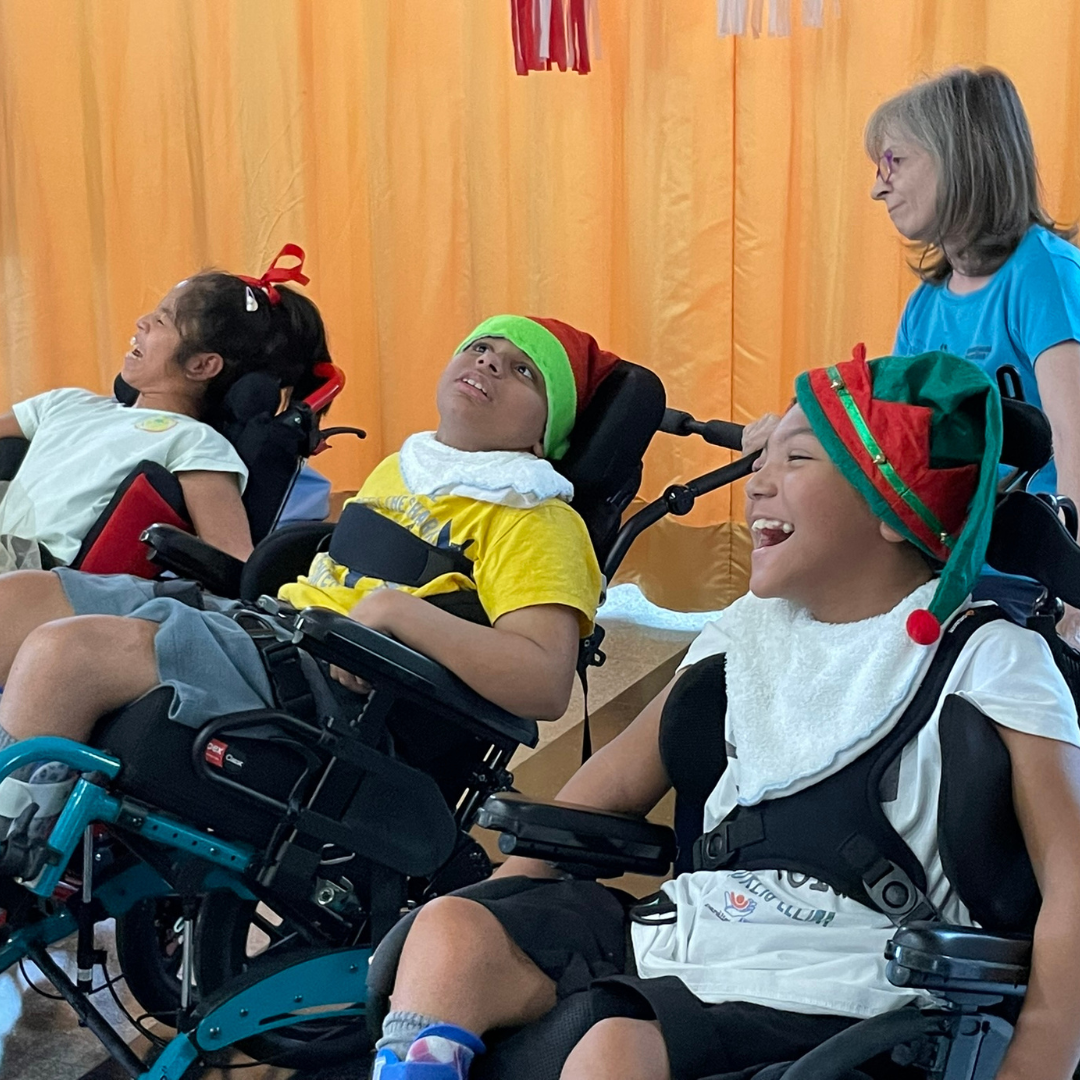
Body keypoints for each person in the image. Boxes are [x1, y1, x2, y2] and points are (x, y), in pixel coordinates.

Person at [371, 349, 1080, 1080]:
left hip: (851, 977)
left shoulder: (989, 660)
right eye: (762, 460)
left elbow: (1071, 882)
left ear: (895, 509)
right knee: (451, 930)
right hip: (694, 930)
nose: (757, 483)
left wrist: (1039, 1056)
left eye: (796, 460)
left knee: (614, 1047)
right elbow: (602, 793)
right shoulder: (745, 635)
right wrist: (507, 903)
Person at [0, 315, 616, 825]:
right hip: (271, 624)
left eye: (523, 371)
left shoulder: (534, 516)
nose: (489, 363)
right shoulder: (405, 468)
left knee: (68, 654)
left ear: (544, 437)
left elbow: (543, 682)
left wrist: (396, 612)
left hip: (321, 685)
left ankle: (17, 850)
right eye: (481, 347)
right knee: (18, 598)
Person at [865, 66, 1080, 628]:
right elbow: (898, 445)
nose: (878, 187)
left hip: (1034, 579)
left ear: (959, 157)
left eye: (894, 161)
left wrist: (1074, 593)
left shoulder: (1044, 273)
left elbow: (1075, 440)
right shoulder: (924, 306)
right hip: (952, 573)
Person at [0, 244, 327, 568]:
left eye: (161, 321)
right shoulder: (66, 403)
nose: (142, 322)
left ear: (201, 365)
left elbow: (234, 562)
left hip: (37, 574)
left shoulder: (195, 442)